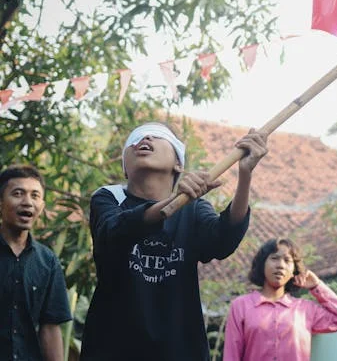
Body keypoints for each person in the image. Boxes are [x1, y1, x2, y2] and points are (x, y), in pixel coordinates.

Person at [80, 122, 268, 361]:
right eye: (135, 139)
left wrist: (245, 175)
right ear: (125, 167)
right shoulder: (109, 197)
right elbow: (114, 231)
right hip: (113, 349)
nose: (144, 138)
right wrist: (175, 201)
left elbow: (223, 240)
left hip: (180, 350)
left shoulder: (193, 208)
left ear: (178, 163)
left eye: (157, 135)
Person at [223, 237, 337, 361]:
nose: (280, 265)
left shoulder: (305, 309)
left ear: (294, 269)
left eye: (287, 260)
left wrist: (317, 286)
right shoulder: (241, 306)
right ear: (262, 264)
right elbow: (231, 355)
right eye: (274, 258)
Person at [0, 165, 72, 361]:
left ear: (42, 205)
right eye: (18, 194)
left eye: (35, 195)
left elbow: (50, 327)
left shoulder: (48, 262)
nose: (27, 202)